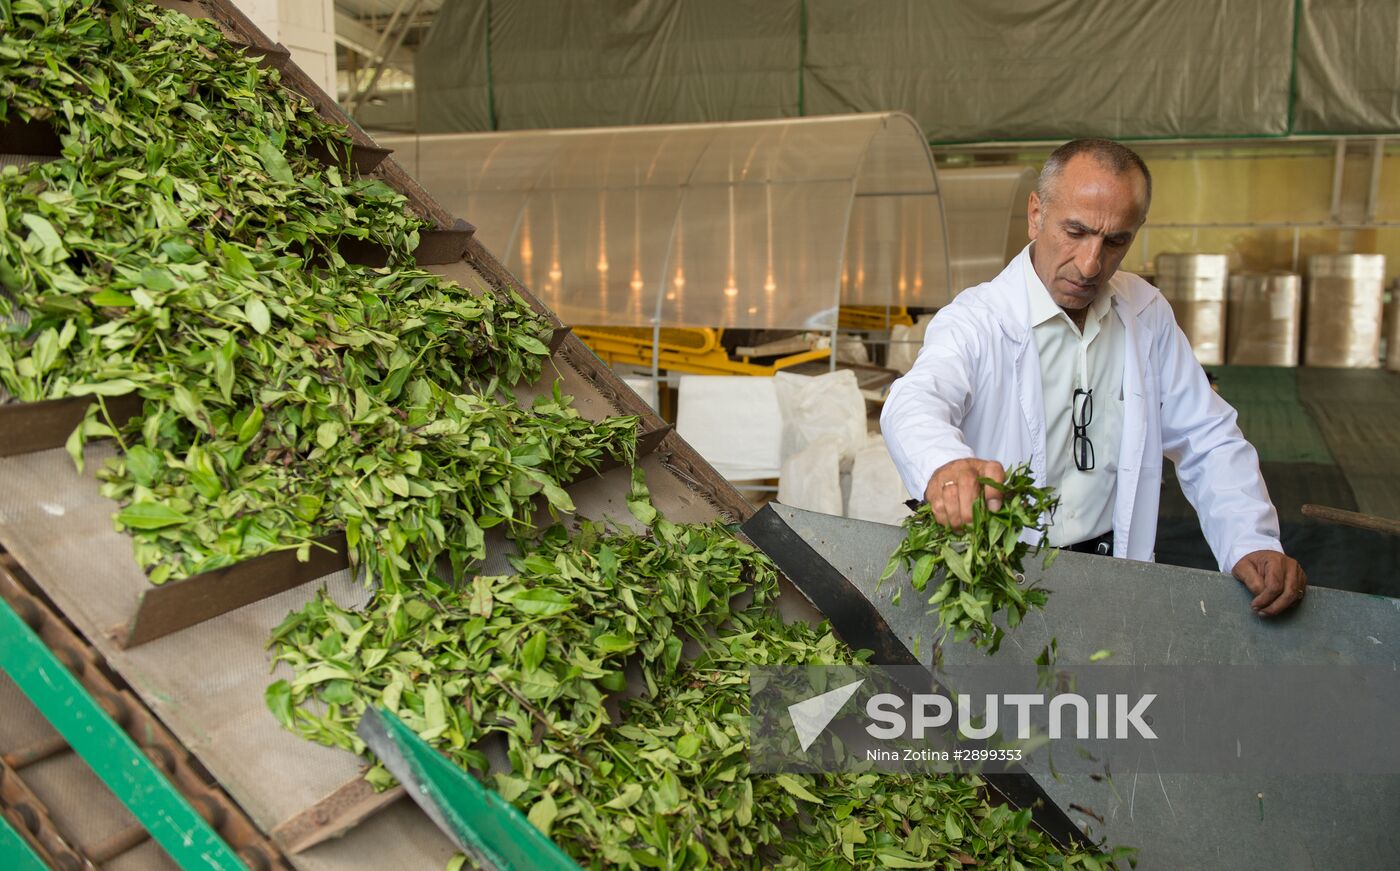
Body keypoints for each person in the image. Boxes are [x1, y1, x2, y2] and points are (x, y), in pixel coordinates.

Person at [881, 138, 1306, 616]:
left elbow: (1206, 436)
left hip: (1111, 566)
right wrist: (945, 465)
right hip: (1001, 575)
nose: (1090, 265)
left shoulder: (1145, 312)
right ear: (1036, 214)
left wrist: (1250, 539)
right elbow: (914, 400)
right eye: (1076, 231)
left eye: (1115, 241)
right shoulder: (979, 320)